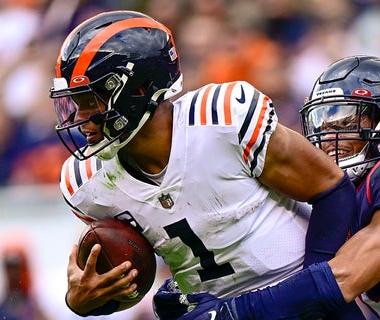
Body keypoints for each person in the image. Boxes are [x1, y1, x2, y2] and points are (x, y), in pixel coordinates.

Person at [153, 55, 380, 319]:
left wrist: (234, 312)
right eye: (322, 122)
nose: (327, 135)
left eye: (344, 120)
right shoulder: (335, 199)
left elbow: (343, 278)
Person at [48, 10, 360, 317]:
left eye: (89, 101)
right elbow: (127, 279)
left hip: (296, 292)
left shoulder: (221, 119)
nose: (79, 119)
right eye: (74, 103)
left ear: (138, 89)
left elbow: (332, 189)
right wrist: (84, 302)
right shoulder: (89, 184)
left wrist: (310, 293)